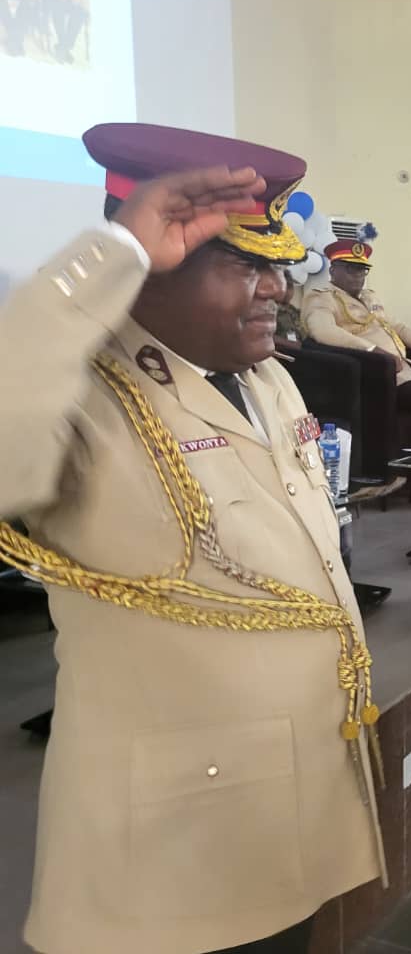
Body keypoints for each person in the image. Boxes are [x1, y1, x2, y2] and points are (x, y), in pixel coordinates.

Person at [0, 123, 386, 954]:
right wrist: (108, 256)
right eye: (244, 263)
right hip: (176, 841)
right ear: (152, 262)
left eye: (278, 264)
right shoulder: (81, 395)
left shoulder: (267, 377)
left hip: (291, 802)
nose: (277, 288)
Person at [302, 238, 411, 449]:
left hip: (402, 367)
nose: (358, 276)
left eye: (362, 270)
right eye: (351, 269)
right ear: (333, 270)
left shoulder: (369, 297)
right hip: (372, 370)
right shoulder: (321, 297)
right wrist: (372, 350)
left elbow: (397, 326)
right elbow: (323, 331)